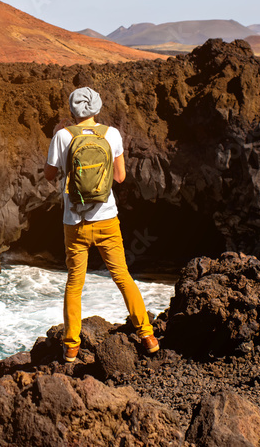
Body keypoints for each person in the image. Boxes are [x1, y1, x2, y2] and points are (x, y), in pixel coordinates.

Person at [43, 86, 159, 363]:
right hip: (107, 218)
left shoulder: (62, 135)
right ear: (97, 108)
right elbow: (120, 177)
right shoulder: (112, 134)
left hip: (75, 221)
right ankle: (148, 336)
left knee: (74, 283)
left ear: (72, 110)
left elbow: (49, 175)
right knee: (122, 276)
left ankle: (71, 347)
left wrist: (59, 138)